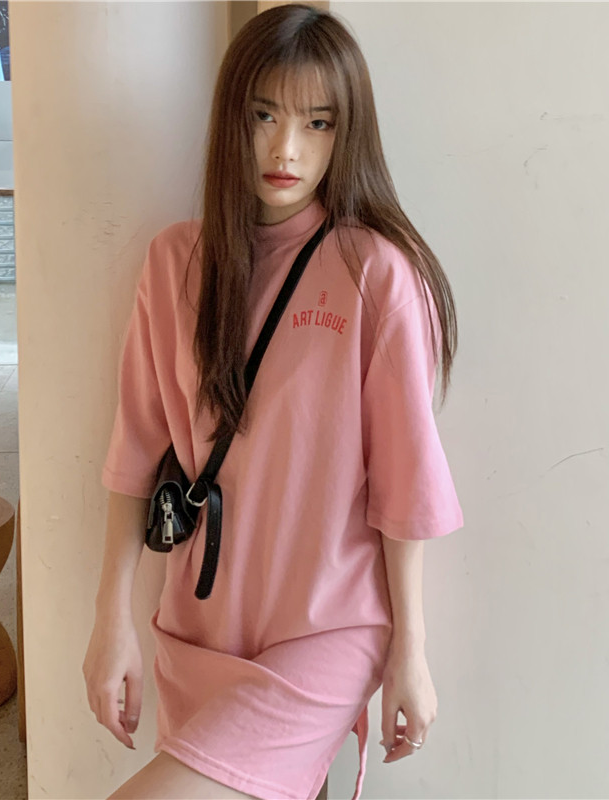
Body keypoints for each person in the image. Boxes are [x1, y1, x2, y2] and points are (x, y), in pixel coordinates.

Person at [82, 5, 464, 800]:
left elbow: (406, 487)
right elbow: (135, 454)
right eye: (264, 115)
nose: (286, 148)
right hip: (199, 627)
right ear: (233, 118)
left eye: (317, 123)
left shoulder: (375, 275)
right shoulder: (175, 262)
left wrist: (411, 651)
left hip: (326, 631)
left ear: (346, 133)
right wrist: (110, 619)